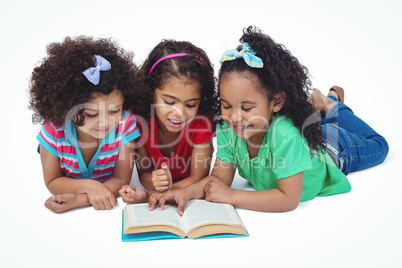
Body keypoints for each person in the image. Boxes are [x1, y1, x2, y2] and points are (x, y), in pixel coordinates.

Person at [148, 26, 389, 214]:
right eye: (226, 105)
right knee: (316, 127)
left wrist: (231, 196)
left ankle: (333, 105)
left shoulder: (285, 136)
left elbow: (288, 198)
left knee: (379, 145)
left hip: (333, 151)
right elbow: (218, 181)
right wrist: (186, 193)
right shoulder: (227, 128)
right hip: (308, 137)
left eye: (247, 107)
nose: (235, 117)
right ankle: (319, 109)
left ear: (275, 102)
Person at [29, 36, 143, 213]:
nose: (105, 122)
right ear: (67, 108)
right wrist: (91, 186)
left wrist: (80, 199)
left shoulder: (125, 123)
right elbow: (53, 181)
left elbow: (121, 179)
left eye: (114, 111)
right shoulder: (53, 130)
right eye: (91, 113)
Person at [119, 40, 218, 203]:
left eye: (191, 104)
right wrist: (154, 181)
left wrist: (165, 191)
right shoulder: (141, 122)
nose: (179, 113)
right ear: (151, 92)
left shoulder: (201, 124)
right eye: (170, 102)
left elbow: (198, 177)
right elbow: (144, 174)